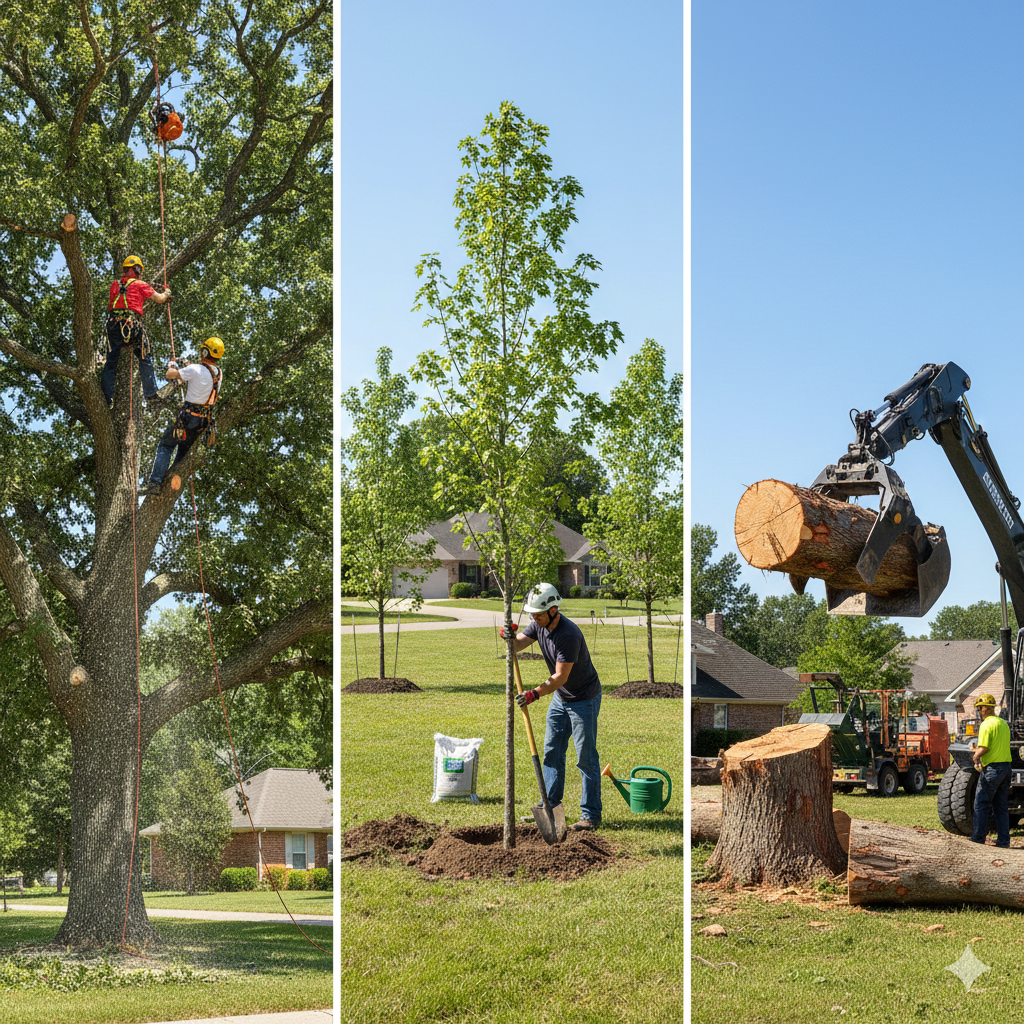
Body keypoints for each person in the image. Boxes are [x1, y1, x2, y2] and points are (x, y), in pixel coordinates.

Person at [501, 582, 602, 831]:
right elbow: (517, 645)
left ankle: (590, 816)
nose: (534, 618)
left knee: (585, 758)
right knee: (551, 752)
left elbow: (560, 677)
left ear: (554, 610)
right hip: (561, 698)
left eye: (538, 614)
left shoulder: (568, 634)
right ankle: (550, 806)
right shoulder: (539, 623)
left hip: (583, 699)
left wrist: (534, 694)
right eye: (532, 614)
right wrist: (507, 636)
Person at [139, 337, 224, 495]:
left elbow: (171, 375)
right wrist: (187, 364)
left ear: (205, 351)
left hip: (187, 418)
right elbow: (202, 374)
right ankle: (172, 480)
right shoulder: (218, 374)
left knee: (166, 445)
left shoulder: (196, 370)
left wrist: (172, 365)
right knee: (183, 452)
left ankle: (155, 483)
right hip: (202, 422)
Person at [102, 255, 172, 404]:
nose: (140, 274)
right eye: (139, 270)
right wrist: (166, 292)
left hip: (113, 326)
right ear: (136, 269)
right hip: (131, 325)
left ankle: (107, 398)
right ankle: (151, 393)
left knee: (111, 362)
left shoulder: (114, 285)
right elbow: (160, 299)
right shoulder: (140, 284)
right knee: (144, 356)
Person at [971, 692, 1012, 848]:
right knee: (1001, 806)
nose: (978, 711)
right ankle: (1003, 841)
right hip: (1006, 768)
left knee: (981, 803)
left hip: (993, 769)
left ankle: (978, 839)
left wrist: (975, 756)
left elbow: (984, 748)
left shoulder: (986, 724)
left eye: (979, 708)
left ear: (984, 709)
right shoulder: (1003, 723)